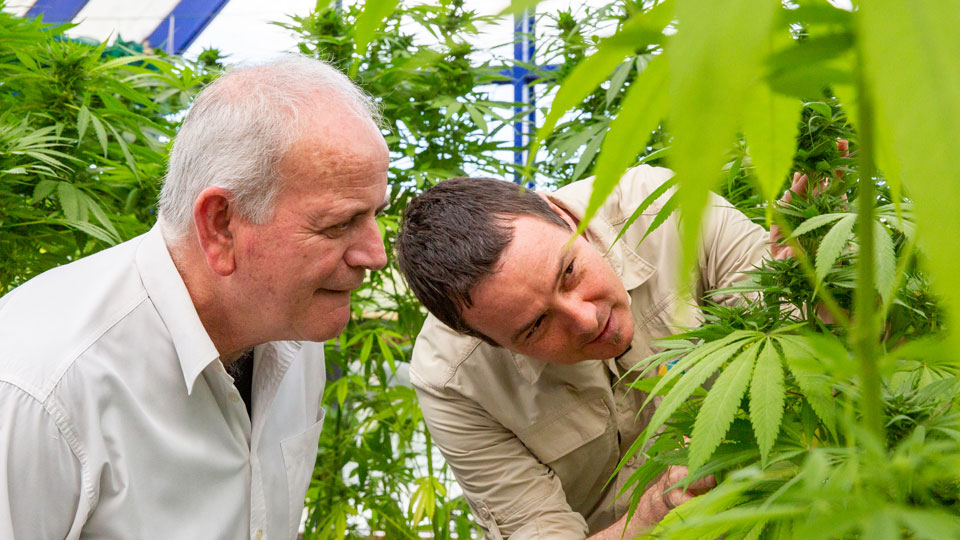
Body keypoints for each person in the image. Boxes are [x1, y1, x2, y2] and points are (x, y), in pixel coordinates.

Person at [0, 56, 389, 539]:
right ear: (221, 224)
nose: (377, 254)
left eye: (376, 214)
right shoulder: (40, 388)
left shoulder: (292, 330)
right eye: (338, 224)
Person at [396, 165, 781, 539]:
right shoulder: (452, 379)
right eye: (536, 325)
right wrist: (653, 515)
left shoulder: (669, 210)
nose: (586, 319)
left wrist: (817, 296)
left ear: (563, 216)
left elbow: (791, 341)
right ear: (490, 341)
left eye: (568, 272)